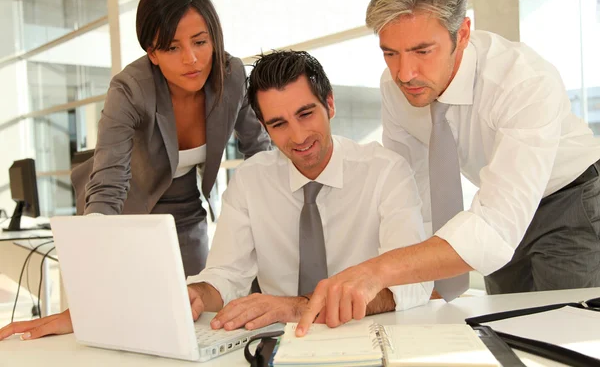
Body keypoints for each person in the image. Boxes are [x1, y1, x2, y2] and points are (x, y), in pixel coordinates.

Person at [0, 50, 432, 341]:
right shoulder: (251, 181)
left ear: (330, 104)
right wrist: (193, 294)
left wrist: (296, 306)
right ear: (262, 126)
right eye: (278, 123)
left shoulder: (384, 172)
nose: (298, 137)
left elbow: (412, 284)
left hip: (370, 343)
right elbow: (226, 276)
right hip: (278, 348)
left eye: (306, 113)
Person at [296, 0, 600, 336]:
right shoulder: (394, 90)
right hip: (494, 202)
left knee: (567, 332)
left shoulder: (523, 81)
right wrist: (419, 283)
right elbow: (410, 190)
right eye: (390, 53)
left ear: (463, 33)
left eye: (422, 51)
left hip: (569, 199)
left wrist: (377, 270)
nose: (404, 73)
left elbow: (496, 227)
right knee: (510, 330)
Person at [70, 0, 270, 278]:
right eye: (172, 47)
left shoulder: (231, 77)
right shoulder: (129, 89)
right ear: (153, 53)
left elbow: (259, 151)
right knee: (124, 307)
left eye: (200, 42)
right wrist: (95, 246)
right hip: (124, 206)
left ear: (214, 39)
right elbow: (110, 183)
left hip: (185, 204)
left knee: (192, 302)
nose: (191, 59)